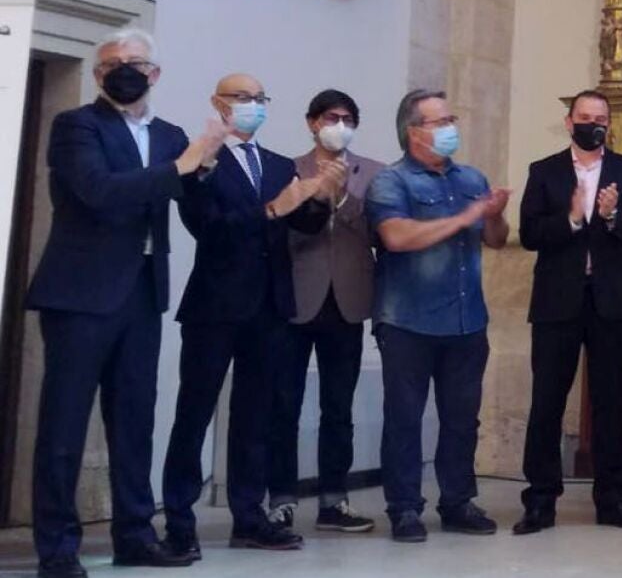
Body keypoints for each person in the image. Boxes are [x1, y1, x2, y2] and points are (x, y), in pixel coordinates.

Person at [26, 30, 226, 578]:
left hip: (142, 291)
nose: (122, 70)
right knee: (64, 427)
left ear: (154, 73)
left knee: (135, 420)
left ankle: (135, 536)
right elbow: (99, 191)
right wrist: (183, 166)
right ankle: (57, 549)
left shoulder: (169, 136)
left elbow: (194, 200)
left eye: (133, 62)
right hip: (79, 293)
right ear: (96, 76)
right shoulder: (77, 126)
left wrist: (207, 165)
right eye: (110, 64)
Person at [162, 75, 344, 558]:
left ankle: (249, 515)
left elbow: (302, 224)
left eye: (260, 98)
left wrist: (321, 195)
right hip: (215, 305)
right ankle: (179, 520)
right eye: (243, 98)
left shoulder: (279, 164)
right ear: (218, 102)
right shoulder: (202, 160)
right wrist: (272, 210)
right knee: (195, 412)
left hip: (269, 306)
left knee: (256, 415)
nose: (253, 105)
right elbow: (207, 227)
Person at [366, 90, 512, 543]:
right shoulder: (391, 181)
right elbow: (396, 237)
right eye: (441, 121)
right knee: (405, 418)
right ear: (414, 131)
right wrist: (465, 217)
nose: (451, 128)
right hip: (407, 320)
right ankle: (405, 508)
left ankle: (458, 502)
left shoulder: (471, 178)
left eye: (452, 119)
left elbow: (496, 239)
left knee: (462, 418)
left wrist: (493, 217)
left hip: (467, 320)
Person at [514, 91, 622, 535]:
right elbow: (530, 233)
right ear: (569, 121)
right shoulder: (544, 170)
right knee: (547, 401)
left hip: (610, 302)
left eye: (600, 118)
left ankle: (613, 499)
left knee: (610, 402)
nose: (592, 124)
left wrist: (611, 217)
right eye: (584, 116)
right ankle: (540, 502)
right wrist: (573, 219)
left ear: (608, 125)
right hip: (557, 301)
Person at [266, 90, 386, 535]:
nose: (340, 125)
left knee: (338, 407)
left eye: (348, 119)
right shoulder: (287, 169)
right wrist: (313, 194)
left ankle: (334, 499)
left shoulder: (374, 173)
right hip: (297, 298)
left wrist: (339, 198)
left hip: (348, 300)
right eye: (332, 117)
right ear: (312, 123)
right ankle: (281, 498)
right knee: (284, 404)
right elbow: (280, 227)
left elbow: (379, 233)